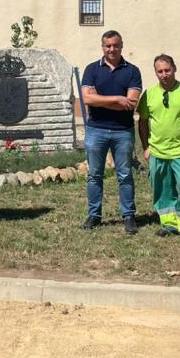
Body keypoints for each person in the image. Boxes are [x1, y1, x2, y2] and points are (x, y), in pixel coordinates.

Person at [137, 54, 180, 244]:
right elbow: (142, 122)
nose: (164, 74)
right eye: (160, 71)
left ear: (174, 69)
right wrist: (145, 147)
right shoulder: (149, 94)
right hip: (158, 152)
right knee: (162, 189)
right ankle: (169, 223)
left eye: (167, 70)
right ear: (155, 73)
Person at [80, 30, 143, 234]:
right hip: (95, 130)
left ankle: (128, 216)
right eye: (108, 45)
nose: (112, 49)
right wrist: (117, 99)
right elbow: (87, 99)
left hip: (122, 131)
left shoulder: (133, 71)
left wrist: (101, 99)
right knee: (94, 175)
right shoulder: (91, 69)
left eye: (116, 45)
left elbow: (131, 104)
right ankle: (94, 215)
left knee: (125, 175)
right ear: (103, 47)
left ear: (121, 45)